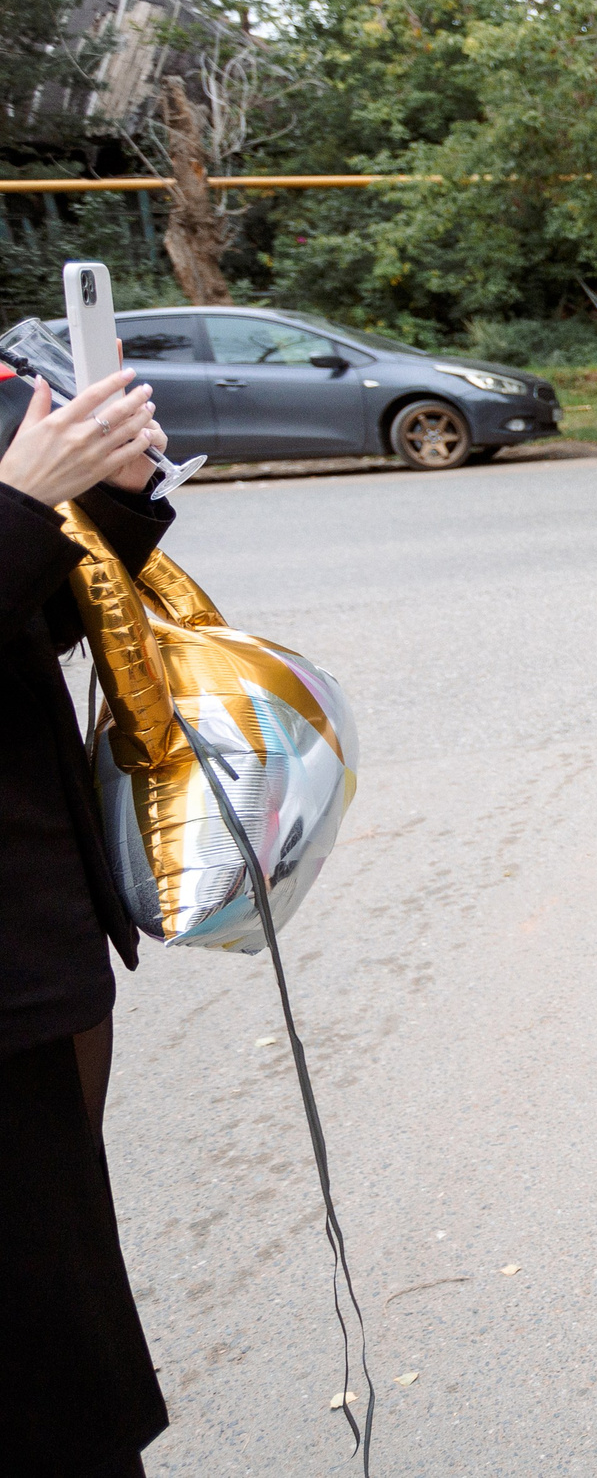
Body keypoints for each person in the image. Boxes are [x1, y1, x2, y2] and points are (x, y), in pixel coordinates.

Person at [0, 364, 174, 1476]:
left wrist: (106, 497)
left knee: (56, 1301)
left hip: (35, 938)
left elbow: (28, 619)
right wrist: (19, 505)